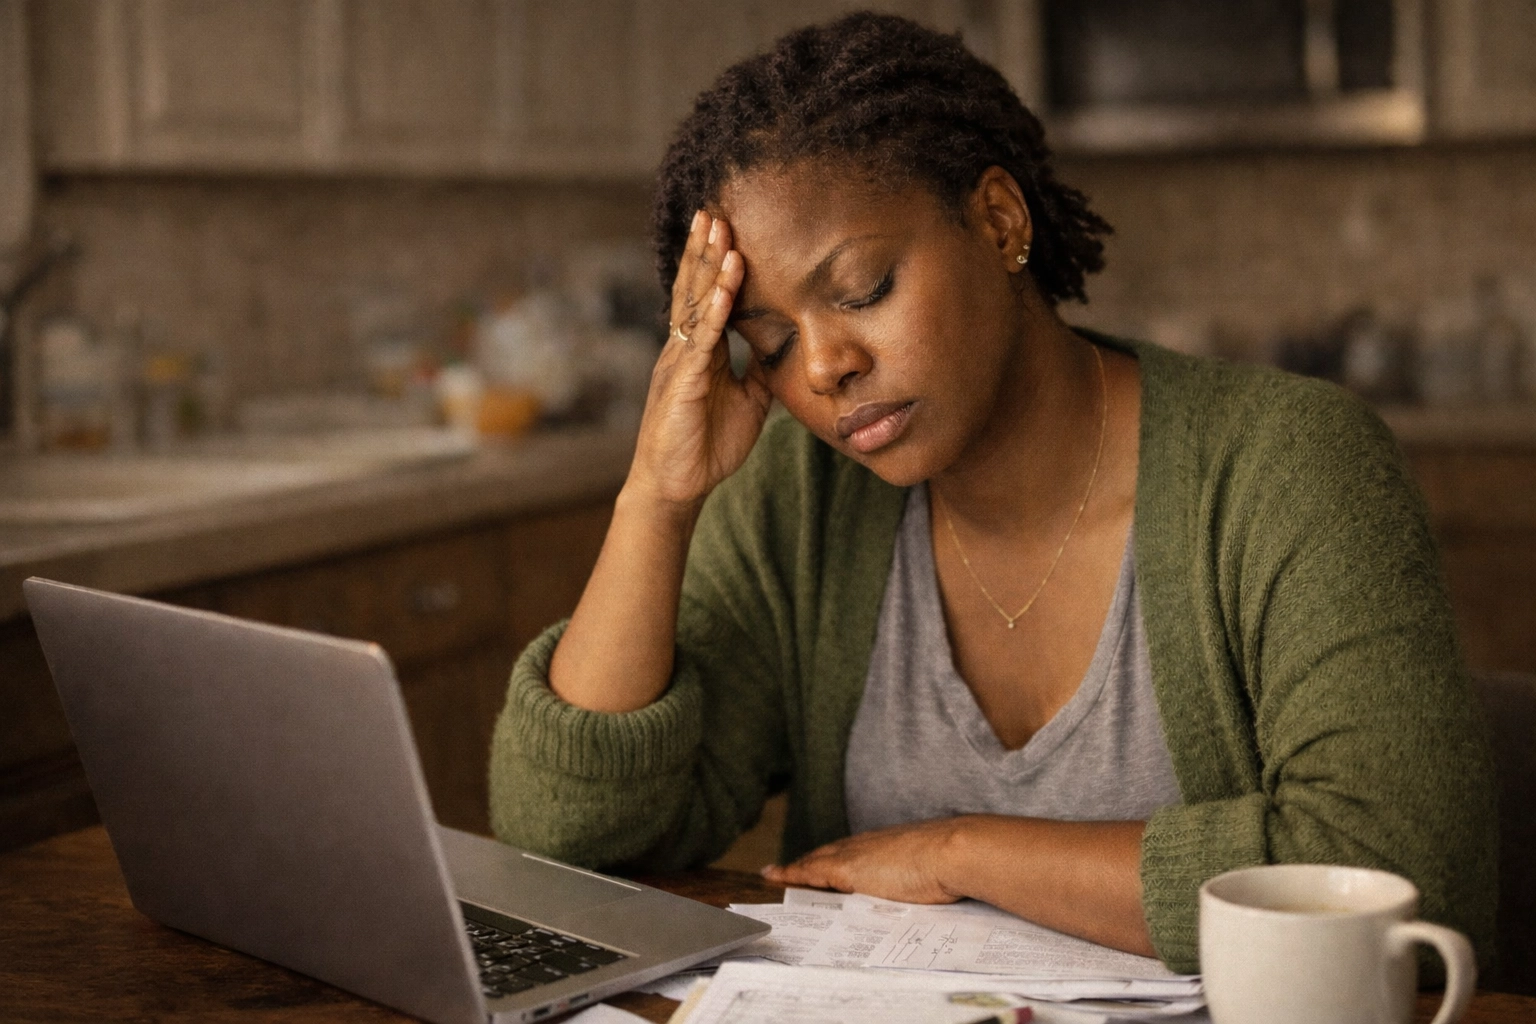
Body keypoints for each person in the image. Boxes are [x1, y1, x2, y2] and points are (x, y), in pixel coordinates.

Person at [488, 12, 1496, 974]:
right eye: (774, 341)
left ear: (999, 221)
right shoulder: (802, 494)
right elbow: (568, 838)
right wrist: (657, 498)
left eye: (863, 290)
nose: (826, 366)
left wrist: (960, 852)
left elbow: (1402, 873)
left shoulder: (1287, 464)